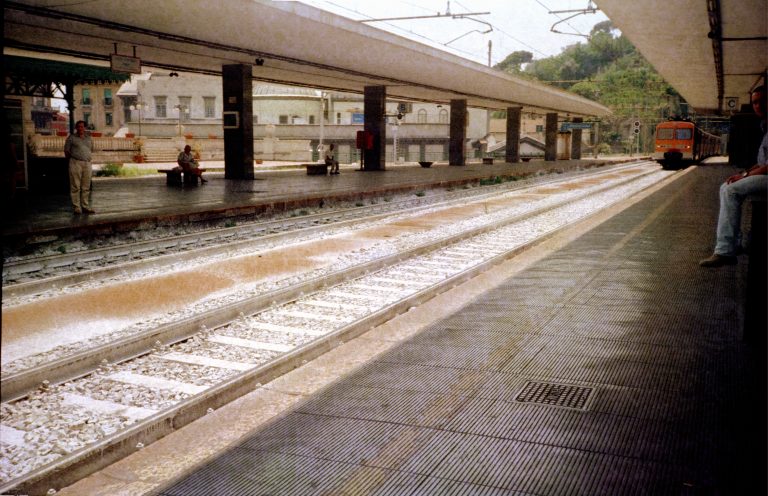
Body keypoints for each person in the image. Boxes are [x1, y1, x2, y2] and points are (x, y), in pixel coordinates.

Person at [700, 84, 768, 267]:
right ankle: (733, 243)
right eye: (755, 103)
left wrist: (745, 176)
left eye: (763, 101)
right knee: (726, 186)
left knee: (731, 191)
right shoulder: (765, 126)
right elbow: (762, 163)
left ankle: (725, 251)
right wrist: (744, 173)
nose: (758, 106)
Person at [64, 120, 95, 214]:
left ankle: (85, 206)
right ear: (76, 128)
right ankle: (76, 207)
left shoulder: (89, 138)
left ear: (84, 127)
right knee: (75, 186)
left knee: (86, 186)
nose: (81, 128)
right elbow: (66, 151)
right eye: (79, 126)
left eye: (82, 126)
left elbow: (91, 149)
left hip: (87, 163)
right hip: (75, 163)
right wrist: (74, 159)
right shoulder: (71, 138)